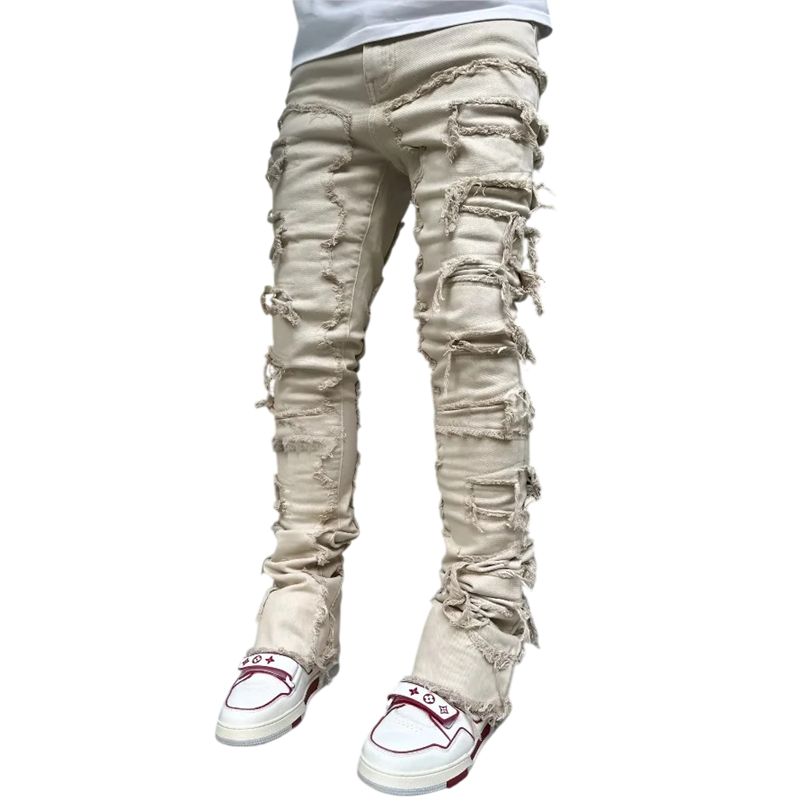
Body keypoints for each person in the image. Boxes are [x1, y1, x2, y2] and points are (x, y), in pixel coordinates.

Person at [215, 1, 554, 794]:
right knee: (305, 348)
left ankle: (480, 628)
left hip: (472, 37)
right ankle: (299, 608)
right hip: (325, 62)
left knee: (469, 336)